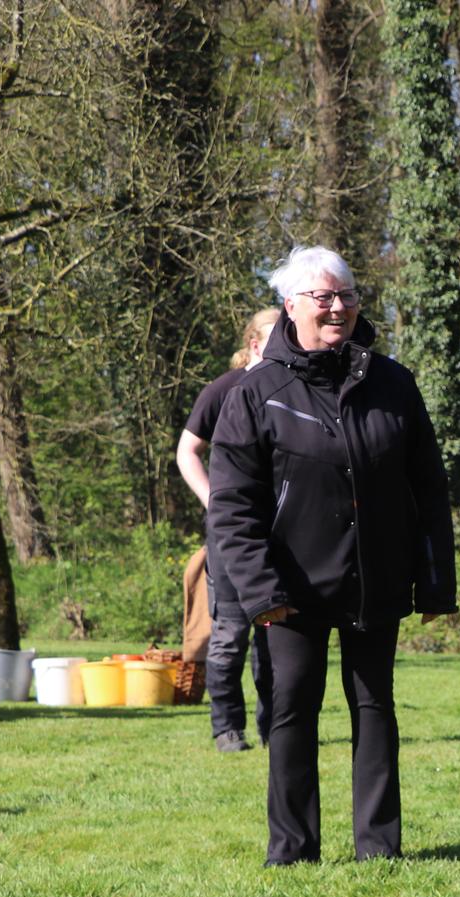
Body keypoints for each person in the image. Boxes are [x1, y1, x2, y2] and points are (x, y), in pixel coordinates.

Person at [209, 245, 457, 863]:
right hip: (288, 590)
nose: (337, 307)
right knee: (291, 709)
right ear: (291, 306)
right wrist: (260, 593)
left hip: (375, 579)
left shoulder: (393, 383)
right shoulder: (254, 392)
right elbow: (233, 508)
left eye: (345, 294)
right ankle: (292, 849)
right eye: (322, 297)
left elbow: (427, 487)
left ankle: (380, 847)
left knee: (374, 705)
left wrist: (433, 583)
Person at [176, 308, 279, 753]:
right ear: (255, 345)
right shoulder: (224, 389)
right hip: (232, 538)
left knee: (276, 634)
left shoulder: (292, 390)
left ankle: (276, 729)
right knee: (231, 633)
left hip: (281, 534)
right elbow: (187, 451)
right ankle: (227, 729)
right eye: (277, 340)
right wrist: (217, 503)